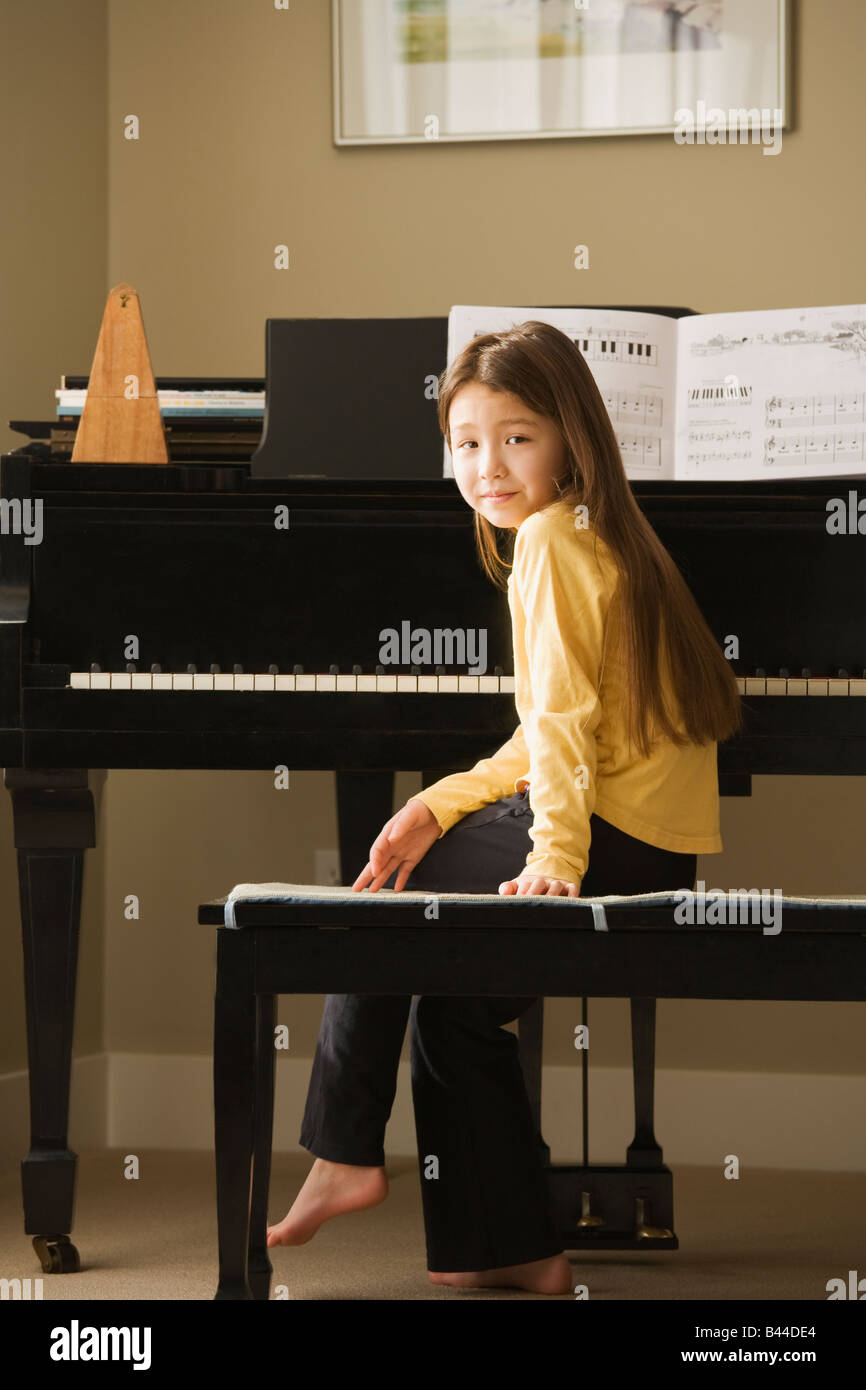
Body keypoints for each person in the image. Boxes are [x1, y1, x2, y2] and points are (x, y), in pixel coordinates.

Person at [266, 319, 743, 1294]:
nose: (487, 463)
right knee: (455, 1001)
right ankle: (513, 1248)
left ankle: (344, 1151)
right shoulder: (596, 532)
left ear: (570, 436)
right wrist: (441, 807)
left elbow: (561, 726)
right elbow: (543, 733)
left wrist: (554, 861)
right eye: (466, 441)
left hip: (604, 838)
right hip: (650, 841)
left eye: (515, 437)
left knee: (380, 897)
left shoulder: (548, 544)